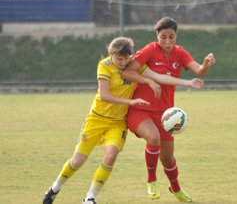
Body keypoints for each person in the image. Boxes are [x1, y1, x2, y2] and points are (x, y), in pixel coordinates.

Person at [43, 37, 204, 204]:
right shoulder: (104, 66)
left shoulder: (134, 64)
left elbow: (157, 76)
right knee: (77, 161)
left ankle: (90, 198)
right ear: (111, 54)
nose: (123, 62)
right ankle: (55, 188)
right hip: (97, 120)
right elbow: (104, 96)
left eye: (127, 58)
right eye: (119, 58)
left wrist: (183, 82)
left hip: (118, 122)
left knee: (110, 157)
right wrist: (131, 102)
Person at [121, 17, 215, 203]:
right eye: (163, 37)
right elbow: (127, 72)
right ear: (157, 35)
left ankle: (176, 188)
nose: (167, 41)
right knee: (153, 138)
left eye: (171, 37)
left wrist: (205, 64)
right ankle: (151, 181)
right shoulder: (149, 50)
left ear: (176, 36)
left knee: (168, 158)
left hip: (165, 114)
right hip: (140, 108)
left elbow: (199, 71)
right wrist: (148, 80)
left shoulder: (179, 53)